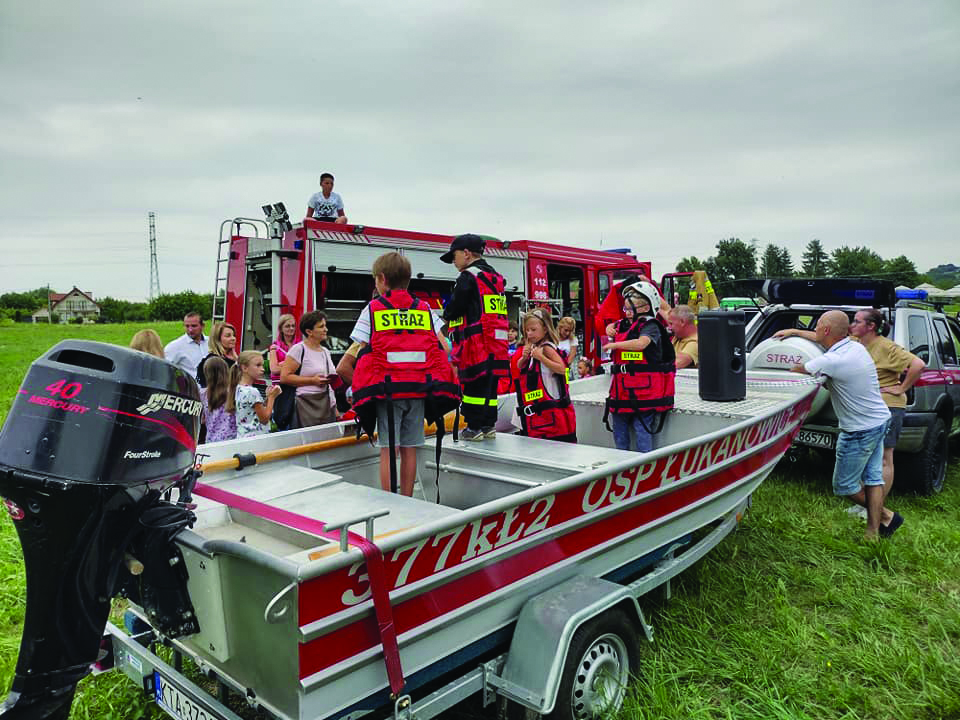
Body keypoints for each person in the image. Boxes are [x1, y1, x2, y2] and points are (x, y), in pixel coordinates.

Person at [780, 310, 901, 540]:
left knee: (844, 485)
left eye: (818, 326)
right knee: (874, 478)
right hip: (879, 420)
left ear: (826, 330)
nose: (815, 330)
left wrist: (792, 363)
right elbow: (822, 346)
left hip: (860, 430)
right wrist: (795, 331)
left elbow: (799, 370)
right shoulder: (854, 346)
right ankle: (874, 531)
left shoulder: (832, 360)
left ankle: (885, 516)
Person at [350, 252, 459, 495]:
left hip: (388, 392)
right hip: (419, 389)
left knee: (389, 449)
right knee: (411, 448)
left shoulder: (373, 309)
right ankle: (408, 497)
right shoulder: (424, 309)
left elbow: (361, 347)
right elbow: (444, 346)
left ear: (381, 279)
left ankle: (391, 500)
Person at [441, 233, 510, 441]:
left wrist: (447, 313)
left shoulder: (468, 276)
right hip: (496, 344)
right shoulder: (495, 277)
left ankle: (473, 427)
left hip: (475, 344)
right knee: (489, 388)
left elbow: (454, 309)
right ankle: (488, 425)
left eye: (454, 256)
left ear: (466, 253)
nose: (453, 261)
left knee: (473, 386)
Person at [603, 281, 676, 453]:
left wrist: (615, 345)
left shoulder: (650, 326)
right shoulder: (624, 323)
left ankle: (644, 463)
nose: (626, 313)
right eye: (625, 309)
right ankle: (621, 462)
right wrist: (609, 328)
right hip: (622, 391)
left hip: (645, 392)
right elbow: (613, 326)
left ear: (645, 308)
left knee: (641, 428)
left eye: (630, 309)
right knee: (619, 430)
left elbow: (641, 344)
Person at [515, 308, 577, 442]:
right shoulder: (533, 347)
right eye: (527, 330)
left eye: (533, 330)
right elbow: (519, 368)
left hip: (551, 418)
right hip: (538, 417)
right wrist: (524, 358)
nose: (529, 333)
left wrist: (541, 358)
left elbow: (562, 369)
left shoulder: (547, 348)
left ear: (545, 329)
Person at [280, 311, 338, 428]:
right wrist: (312, 381)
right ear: (309, 332)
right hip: (305, 404)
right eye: (321, 326)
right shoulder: (299, 349)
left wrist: (334, 407)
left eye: (325, 326)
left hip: (325, 403)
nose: (325, 329)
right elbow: (284, 377)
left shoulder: (325, 352)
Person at [234, 351, 281, 438]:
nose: (262, 369)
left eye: (262, 365)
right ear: (244, 368)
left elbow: (254, 413)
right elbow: (264, 419)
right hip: (255, 439)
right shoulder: (253, 392)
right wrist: (272, 397)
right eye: (258, 365)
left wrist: (267, 398)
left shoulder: (238, 387)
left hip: (242, 436)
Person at [269, 313, 299, 431]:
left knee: (295, 417)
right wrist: (293, 366)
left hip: (295, 385)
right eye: (287, 326)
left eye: (293, 326)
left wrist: (283, 364)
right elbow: (274, 369)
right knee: (282, 417)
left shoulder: (300, 345)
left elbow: (303, 366)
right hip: (281, 387)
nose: (291, 329)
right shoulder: (274, 346)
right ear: (281, 328)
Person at [199, 356, 237, 443]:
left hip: (210, 439)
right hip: (231, 439)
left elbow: (202, 420)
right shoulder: (233, 392)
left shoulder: (202, 394)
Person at [196, 321, 238, 388]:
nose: (233, 338)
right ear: (217, 339)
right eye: (228, 336)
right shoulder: (212, 361)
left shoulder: (236, 360)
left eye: (234, 335)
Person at [164, 312, 206, 377]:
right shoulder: (175, 346)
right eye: (187, 326)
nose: (190, 330)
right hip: (192, 386)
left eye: (194, 326)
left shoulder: (211, 342)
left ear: (202, 326)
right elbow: (164, 368)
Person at [668, 305, 699, 369]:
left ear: (682, 322)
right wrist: (641, 357)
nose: (669, 328)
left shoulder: (695, 343)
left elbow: (674, 364)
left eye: (671, 324)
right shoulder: (679, 336)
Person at [557, 316, 580, 381]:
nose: (568, 333)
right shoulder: (553, 339)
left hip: (567, 369)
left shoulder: (573, 340)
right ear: (560, 327)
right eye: (566, 330)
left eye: (570, 331)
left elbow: (571, 357)